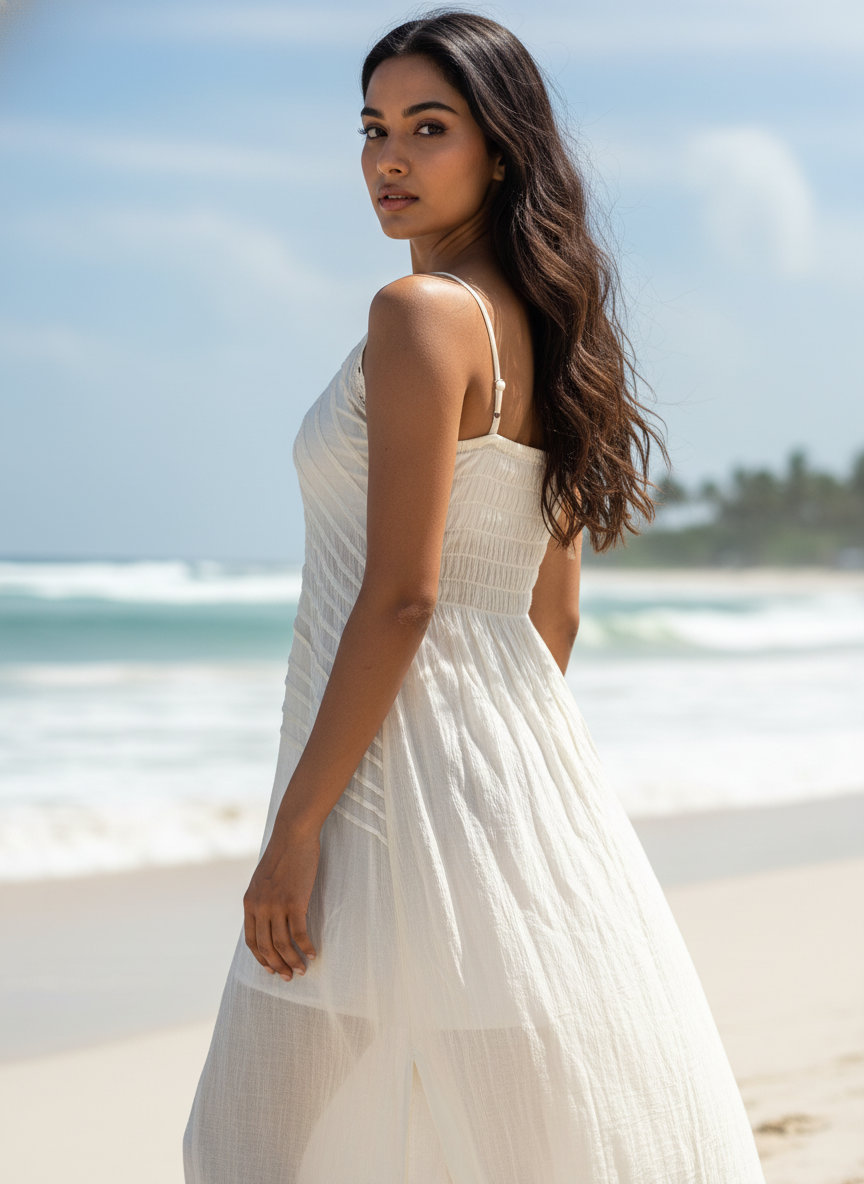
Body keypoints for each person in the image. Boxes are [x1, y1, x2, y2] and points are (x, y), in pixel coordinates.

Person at [184, 12, 765, 1183]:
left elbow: (402, 596)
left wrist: (296, 833)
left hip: (380, 781)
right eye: (373, 129)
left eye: (428, 129)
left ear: (498, 149)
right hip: (510, 771)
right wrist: (490, 788)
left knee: (247, 1138)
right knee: (519, 1129)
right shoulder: (550, 333)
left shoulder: (419, 316)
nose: (388, 159)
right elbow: (555, 615)